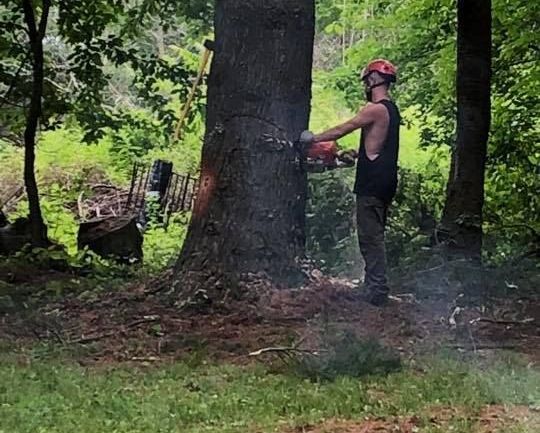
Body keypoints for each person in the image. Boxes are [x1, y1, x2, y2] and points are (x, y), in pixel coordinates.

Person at [302, 59, 400, 306]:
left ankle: (377, 290)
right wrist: (351, 155)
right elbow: (376, 147)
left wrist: (312, 139)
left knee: (370, 237)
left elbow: (342, 129)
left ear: (374, 79)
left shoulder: (374, 109)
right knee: (373, 234)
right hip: (385, 180)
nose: (366, 84)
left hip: (372, 184)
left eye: (367, 79)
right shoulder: (392, 110)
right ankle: (373, 285)